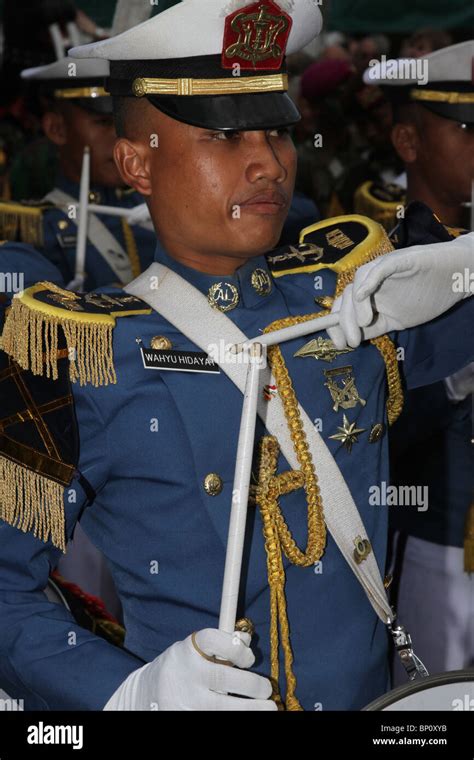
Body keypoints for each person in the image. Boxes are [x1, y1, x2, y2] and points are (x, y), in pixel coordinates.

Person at [0, 0, 472, 712]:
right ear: (135, 162)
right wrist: (128, 693)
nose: (268, 162)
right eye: (224, 135)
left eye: (276, 130)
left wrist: (464, 264)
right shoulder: (77, 353)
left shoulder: (356, 298)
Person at [367, 40, 474, 682]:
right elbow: (368, 427)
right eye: (468, 130)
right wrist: (458, 382)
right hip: (441, 540)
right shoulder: (377, 267)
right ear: (408, 141)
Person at [0, 57, 157, 290]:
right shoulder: (37, 229)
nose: (120, 137)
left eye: (124, 123)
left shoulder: (154, 206)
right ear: (57, 129)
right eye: (103, 122)